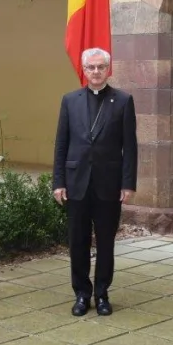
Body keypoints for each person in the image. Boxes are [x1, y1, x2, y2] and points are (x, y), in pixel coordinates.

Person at [52, 48, 138, 317]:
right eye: (91, 67)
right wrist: (58, 182)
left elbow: (130, 147)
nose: (97, 72)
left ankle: (102, 293)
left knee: (105, 243)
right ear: (84, 70)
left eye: (101, 67)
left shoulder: (123, 101)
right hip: (76, 183)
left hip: (108, 185)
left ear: (108, 69)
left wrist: (128, 184)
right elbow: (61, 144)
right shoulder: (70, 100)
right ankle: (81, 293)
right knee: (77, 242)